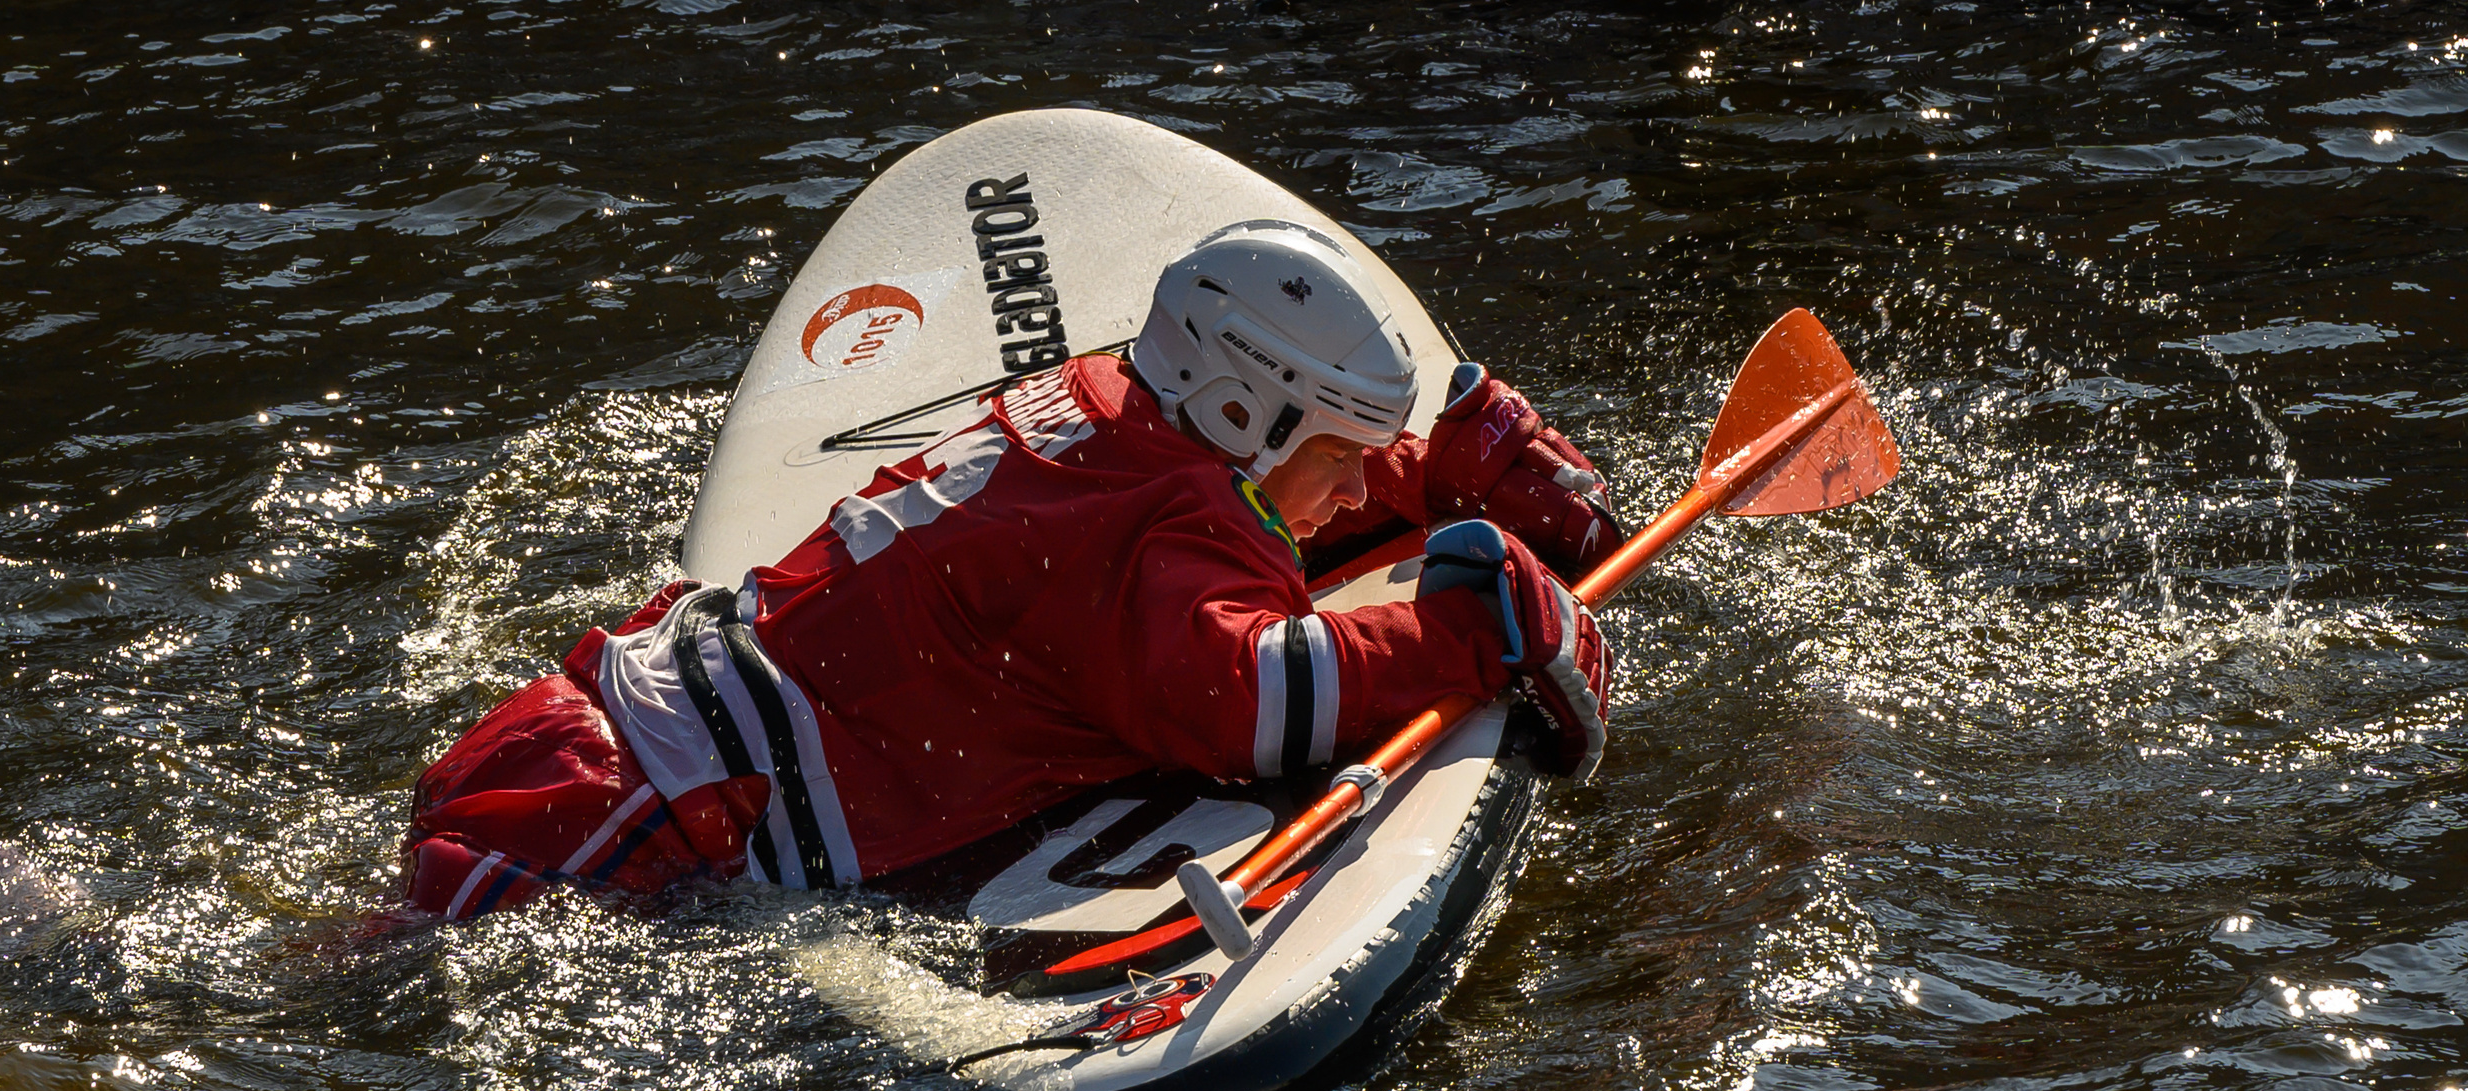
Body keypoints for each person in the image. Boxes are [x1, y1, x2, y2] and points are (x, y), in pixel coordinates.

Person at [402, 220, 1619, 921]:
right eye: (1349, 459)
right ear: (1243, 411)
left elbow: (1221, 522)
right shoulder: (1167, 533)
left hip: (612, 738)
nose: (1360, 489)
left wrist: (1435, 470)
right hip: (648, 829)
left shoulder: (1107, 402)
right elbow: (1243, 704)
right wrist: (1475, 635)